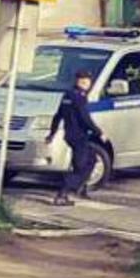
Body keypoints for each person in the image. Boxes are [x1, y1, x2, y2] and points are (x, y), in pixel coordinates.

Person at [46, 71, 105, 206]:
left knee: (91, 159)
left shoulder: (67, 95)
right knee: (80, 168)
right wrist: (99, 132)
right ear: (83, 82)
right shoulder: (80, 97)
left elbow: (58, 116)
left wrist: (52, 134)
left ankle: (80, 188)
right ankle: (62, 195)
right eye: (86, 81)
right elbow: (85, 118)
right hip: (79, 136)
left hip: (70, 135)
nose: (88, 84)